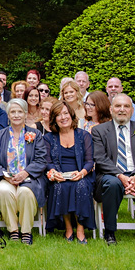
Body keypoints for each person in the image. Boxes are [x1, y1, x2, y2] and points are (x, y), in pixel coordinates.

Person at [92, 94, 135, 246]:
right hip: (110, 174)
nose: (122, 110)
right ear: (111, 110)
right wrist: (119, 175)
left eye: (126, 106)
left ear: (131, 110)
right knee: (112, 185)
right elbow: (100, 158)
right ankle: (110, 232)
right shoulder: (99, 130)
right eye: (118, 106)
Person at [0, 98, 47, 245]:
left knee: (25, 193)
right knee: (3, 192)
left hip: (29, 178)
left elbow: (41, 159)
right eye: (13, 112)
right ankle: (13, 230)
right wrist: (5, 176)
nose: (16, 115)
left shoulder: (35, 135)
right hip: (6, 178)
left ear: (25, 114)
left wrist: (25, 173)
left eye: (20, 111)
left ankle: (26, 231)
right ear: (8, 115)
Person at [42, 100, 95, 244]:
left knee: (81, 186)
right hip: (59, 175)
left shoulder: (84, 135)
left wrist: (82, 172)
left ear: (71, 115)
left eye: (65, 113)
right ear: (54, 119)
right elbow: (47, 161)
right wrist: (53, 171)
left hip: (81, 174)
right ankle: (68, 227)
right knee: (60, 186)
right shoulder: (48, 138)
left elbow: (90, 160)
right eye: (58, 115)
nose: (63, 117)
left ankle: (80, 227)